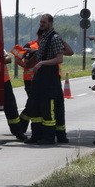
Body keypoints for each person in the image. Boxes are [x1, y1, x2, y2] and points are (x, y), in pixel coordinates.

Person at [26, 14, 65, 145]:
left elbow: (59, 59)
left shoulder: (55, 38)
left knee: (48, 108)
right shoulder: (43, 38)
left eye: (44, 22)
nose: (41, 24)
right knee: (34, 105)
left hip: (50, 78)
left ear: (50, 23)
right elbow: (39, 55)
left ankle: (49, 137)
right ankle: (36, 135)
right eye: (40, 22)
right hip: (39, 78)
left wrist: (42, 63)